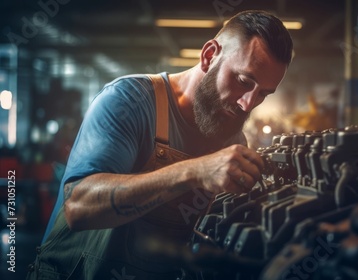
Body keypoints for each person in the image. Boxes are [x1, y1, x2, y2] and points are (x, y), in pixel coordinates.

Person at [27, 10, 293, 280]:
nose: (247, 104)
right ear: (209, 56)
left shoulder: (234, 140)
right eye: (244, 81)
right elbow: (78, 208)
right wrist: (193, 172)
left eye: (263, 94)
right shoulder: (130, 102)